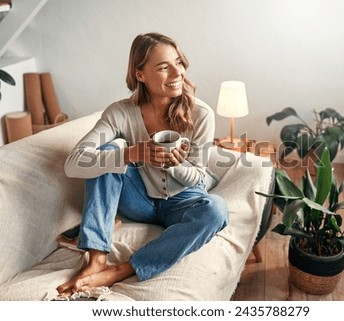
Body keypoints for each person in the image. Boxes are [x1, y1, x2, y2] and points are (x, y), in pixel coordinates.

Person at [56, 32, 229, 297]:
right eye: (163, 67)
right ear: (140, 75)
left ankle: (121, 270)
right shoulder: (120, 112)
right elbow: (74, 163)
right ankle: (97, 258)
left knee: (215, 210)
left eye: (179, 63)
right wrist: (130, 153)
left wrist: (171, 164)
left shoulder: (200, 113)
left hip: (183, 200)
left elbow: (196, 177)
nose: (177, 72)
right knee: (108, 151)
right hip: (138, 202)